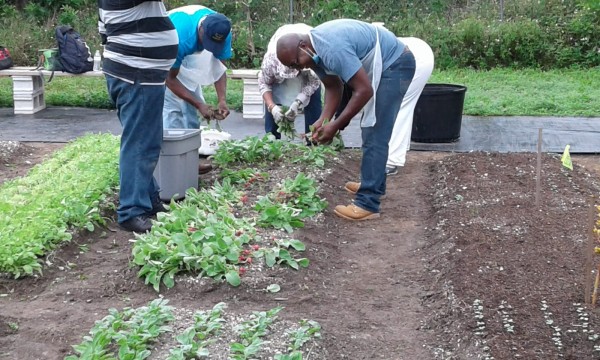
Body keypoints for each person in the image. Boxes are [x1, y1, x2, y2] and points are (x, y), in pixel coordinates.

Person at [276, 19, 416, 221]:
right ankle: (372, 181)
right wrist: (324, 119)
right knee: (370, 128)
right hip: (384, 64)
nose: (298, 70)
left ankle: (368, 203)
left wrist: (336, 125)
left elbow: (364, 90)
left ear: (303, 47)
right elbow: (334, 87)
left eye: (296, 63)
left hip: (395, 64)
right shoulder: (313, 54)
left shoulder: (332, 49)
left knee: (374, 130)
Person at [98, 0, 178, 232]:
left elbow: (105, 32)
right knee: (141, 143)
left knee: (145, 140)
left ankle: (148, 198)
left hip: (136, 72)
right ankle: (131, 210)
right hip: (137, 72)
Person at [164, 5, 232, 130]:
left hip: (188, 50)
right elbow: (169, 79)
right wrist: (199, 104)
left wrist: (222, 100)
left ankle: (191, 145)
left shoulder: (223, 31)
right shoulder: (179, 37)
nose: (210, 48)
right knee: (173, 110)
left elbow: (219, 68)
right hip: (164, 48)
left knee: (193, 109)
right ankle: (172, 146)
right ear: (201, 29)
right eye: (208, 42)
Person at [258, 24, 322, 140]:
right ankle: (271, 140)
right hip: (282, 53)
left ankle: (314, 139)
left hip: (306, 55)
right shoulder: (271, 62)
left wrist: (297, 103)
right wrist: (272, 107)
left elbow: (314, 82)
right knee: (273, 104)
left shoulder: (311, 54)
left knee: (314, 100)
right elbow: (264, 84)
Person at [385, 37, 434, 176]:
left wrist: (338, 123)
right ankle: (394, 151)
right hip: (414, 50)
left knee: (398, 106)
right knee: (398, 106)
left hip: (415, 57)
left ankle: (391, 160)